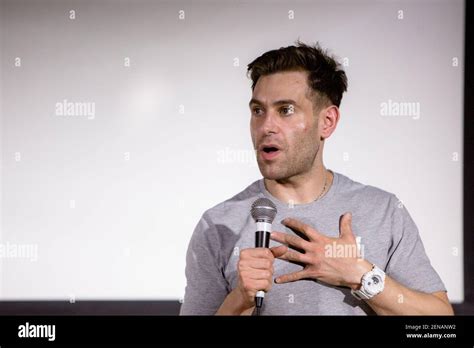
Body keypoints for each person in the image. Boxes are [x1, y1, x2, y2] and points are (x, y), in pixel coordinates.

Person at [179, 41, 454, 315]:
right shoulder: (217, 225)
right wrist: (238, 300)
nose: (266, 127)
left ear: (328, 122)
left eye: (285, 110)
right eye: (257, 111)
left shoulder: (383, 211)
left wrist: (360, 274)